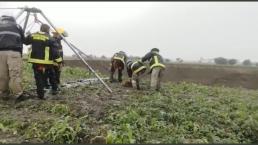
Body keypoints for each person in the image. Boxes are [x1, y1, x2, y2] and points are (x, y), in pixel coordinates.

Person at [24, 23, 62, 99]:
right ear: (48, 30)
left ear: (40, 28)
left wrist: (27, 35)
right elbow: (55, 52)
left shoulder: (33, 35)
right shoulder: (50, 38)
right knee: (51, 75)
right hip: (46, 62)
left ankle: (40, 95)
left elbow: (25, 42)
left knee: (38, 78)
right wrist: (59, 61)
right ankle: (55, 89)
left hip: (35, 61)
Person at [0, 15, 25, 101]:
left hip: (0, 53)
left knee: (2, 75)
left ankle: (3, 94)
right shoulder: (17, 26)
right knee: (15, 74)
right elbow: (23, 39)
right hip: (13, 52)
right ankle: (18, 94)